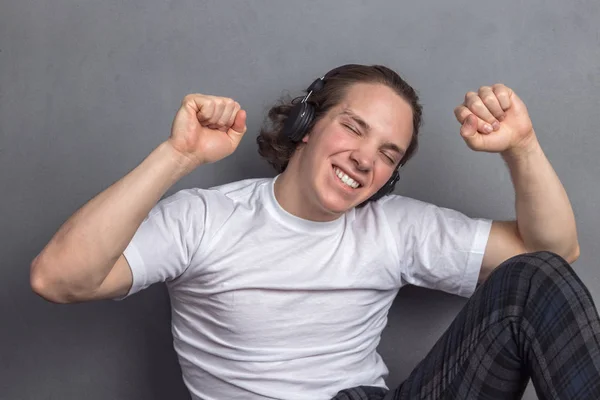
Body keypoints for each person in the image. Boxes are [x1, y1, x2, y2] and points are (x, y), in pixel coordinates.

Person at [30, 64, 600, 400]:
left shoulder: (394, 227)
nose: (363, 159)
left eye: (387, 153)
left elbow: (553, 255)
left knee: (533, 277)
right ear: (305, 126)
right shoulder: (205, 218)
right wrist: (177, 156)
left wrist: (522, 148)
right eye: (353, 128)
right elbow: (59, 278)